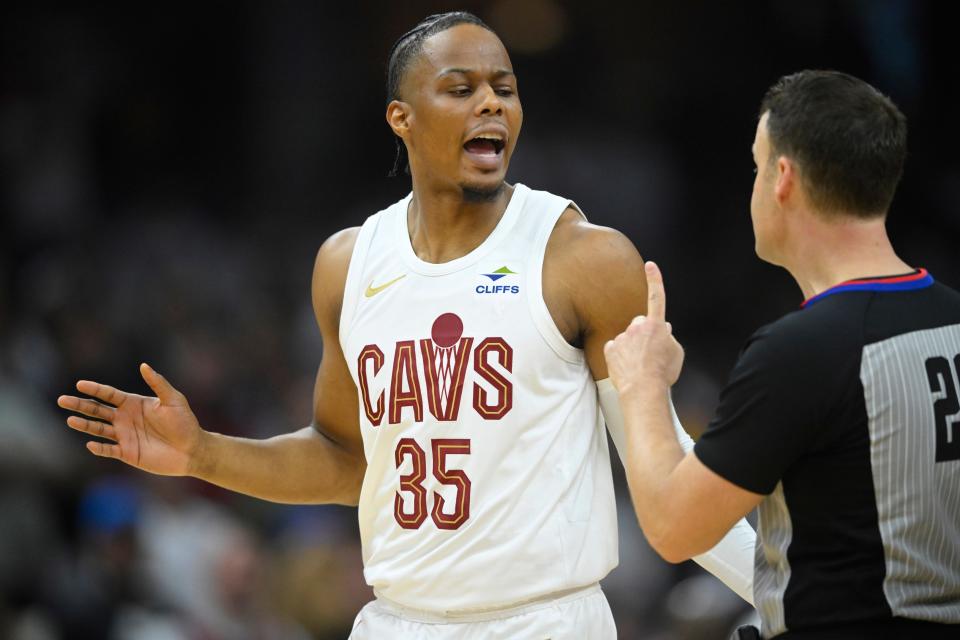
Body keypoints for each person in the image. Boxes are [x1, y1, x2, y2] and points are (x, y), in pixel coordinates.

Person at [57, 12, 755, 638]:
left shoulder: (583, 257)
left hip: (545, 621)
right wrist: (203, 453)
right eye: (461, 88)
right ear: (402, 118)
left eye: (504, 88)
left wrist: (791, 595)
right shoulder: (347, 262)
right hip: (397, 621)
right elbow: (344, 458)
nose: (491, 102)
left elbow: (664, 468)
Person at [604, 70, 960, 639]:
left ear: (784, 178)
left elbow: (673, 528)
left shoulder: (803, 351)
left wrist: (643, 384)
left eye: (756, 165)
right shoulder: (952, 318)